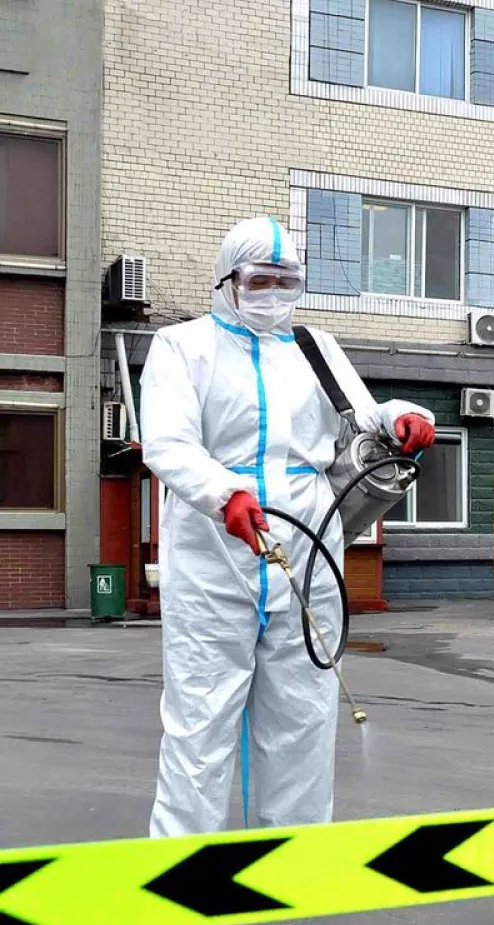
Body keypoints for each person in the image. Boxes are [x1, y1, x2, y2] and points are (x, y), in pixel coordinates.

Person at [140, 216, 435, 836]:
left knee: (302, 714)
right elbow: (166, 443)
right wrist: (224, 493)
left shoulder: (313, 347)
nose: (274, 292)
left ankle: (292, 856)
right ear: (227, 280)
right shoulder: (182, 347)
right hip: (215, 551)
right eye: (259, 280)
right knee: (202, 715)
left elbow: (365, 413)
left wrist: (407, 414)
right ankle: (180, 865)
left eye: (286, 281)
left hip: (308, 543)